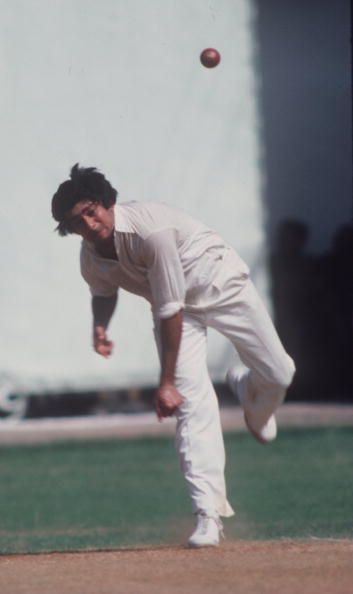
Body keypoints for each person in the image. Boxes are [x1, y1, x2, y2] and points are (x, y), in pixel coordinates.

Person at [51, 164, 295, 548]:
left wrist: (164, 383)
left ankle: (254, 398)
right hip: (180, 312)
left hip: (220, 283)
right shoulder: (91, 258)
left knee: (280, 373)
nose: (89, 223)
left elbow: (169, 309)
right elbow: (103, 292)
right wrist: (101, 327)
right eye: (77, 221)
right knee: (192, 404)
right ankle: (208, 516)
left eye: (91, 210)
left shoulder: (152, 233)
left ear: (106, 203)